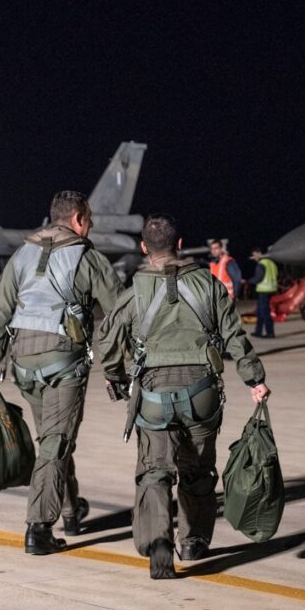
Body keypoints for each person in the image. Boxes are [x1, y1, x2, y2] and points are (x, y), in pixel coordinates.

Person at [97, 214, 269, 579]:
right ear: (179, 244)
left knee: (154, 472)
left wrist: (115, 376)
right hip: (201, 391)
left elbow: (108, 339)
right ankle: (193, 541)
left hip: (154, 395)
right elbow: (234, 335)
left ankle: (159, 542)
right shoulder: (208, 283)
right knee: (198, 470)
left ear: (143, 248)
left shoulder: (134, 291)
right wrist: (254, 379)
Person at [0, 191, 123, 555]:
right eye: (89, 220)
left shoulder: (22, 253)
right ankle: (38, 527)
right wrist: (116, 365)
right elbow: (119, 313)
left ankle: (71, 511)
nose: (90, 227)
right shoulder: (86, 256)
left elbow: (1, 303)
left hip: (23, 363)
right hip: (63, 364)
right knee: (56, 442)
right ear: (77, 219)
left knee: (52, 439)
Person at [249, 247, 279, 338]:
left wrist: (249, 281)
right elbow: (276, 275)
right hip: (272, 289)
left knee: (265, 312)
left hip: (264, 290)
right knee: (259, 311)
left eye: (255, 255)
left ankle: (270, 333)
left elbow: (259, 278)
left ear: (259, 253)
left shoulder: (261, 264)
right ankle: (258, 331)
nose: (254, 257)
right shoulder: (272, 263)